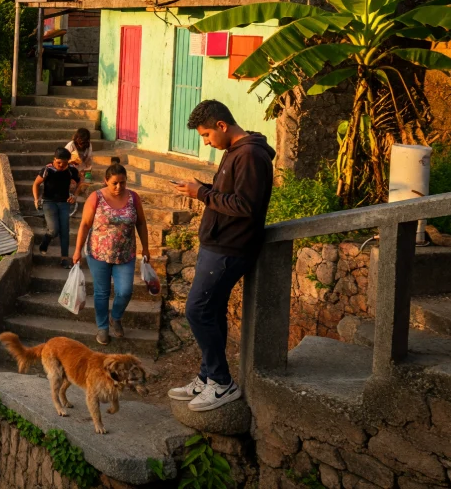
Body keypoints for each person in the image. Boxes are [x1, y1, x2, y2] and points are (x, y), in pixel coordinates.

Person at [167, 99, 274, 412]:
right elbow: (228, 195)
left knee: (197, 311)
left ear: (222, 126)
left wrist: (200, 193)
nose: (206, 142)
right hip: (217, 243)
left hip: (230, 248)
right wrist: (202, 187)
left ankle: (221, 383)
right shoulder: (234, 152)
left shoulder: (251, 155)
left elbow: (245, 206)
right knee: (211, 312)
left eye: (206, 135)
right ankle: (207, 377)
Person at [72, 162, 151, 346]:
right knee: (102, 292)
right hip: (98, 253)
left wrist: (145, 248)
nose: (118, 187)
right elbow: (84, 224)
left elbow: (141, 223)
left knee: (125, 291)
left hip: (125, 254)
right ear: (106, 180)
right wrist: (77, 250)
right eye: (114, 183)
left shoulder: (133, 198)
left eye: (122, 183)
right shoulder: (96, 197)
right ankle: (102, 328)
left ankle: (115, 317)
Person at [33, 147, 80, 268]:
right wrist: (36, 199)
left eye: (64, 163)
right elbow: (36, 184)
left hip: (64, 203)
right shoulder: (48, 169)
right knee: (54, 230)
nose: (60, 165)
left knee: (65, 231)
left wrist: (75, 195)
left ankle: (64, 258)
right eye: (58, 162)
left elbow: (80, 181)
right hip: (49, 202)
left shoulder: (71, 170)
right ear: (54, 159)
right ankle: (46, 241)